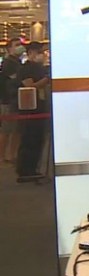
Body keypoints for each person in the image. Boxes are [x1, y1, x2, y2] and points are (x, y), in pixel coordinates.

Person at [15, 42, 49, 183]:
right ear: (31, 53)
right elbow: (29, 86)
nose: (42, 55)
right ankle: (25, 170)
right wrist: (45, 80)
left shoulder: (39, 68)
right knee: (29, 140)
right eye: (39, 52)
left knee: (37, 141)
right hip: (29, 110)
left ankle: (33, 169)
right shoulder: (25, 69)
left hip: (40, 108)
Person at [0, 39, 24, 163]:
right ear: (9, 49)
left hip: (17, 99)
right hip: (8, 100)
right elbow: (17, 79)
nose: (20, 47)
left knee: (16, 130)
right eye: (16, 45)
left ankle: (12, 154)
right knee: (6, 130)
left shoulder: (18, 62)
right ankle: (2, 155)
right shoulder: (8, 63)